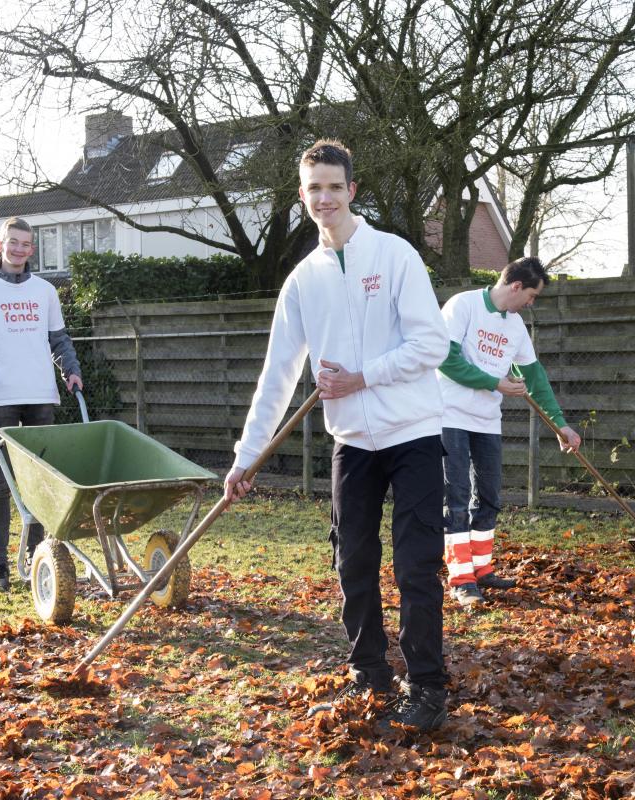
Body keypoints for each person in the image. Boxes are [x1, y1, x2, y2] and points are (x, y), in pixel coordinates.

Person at [224, 140, 451, 733]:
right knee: (353, 559)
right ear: (302, 198)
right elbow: (277, 375)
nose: (324, 197)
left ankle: (427, 685)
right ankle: (369, 670)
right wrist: (246, 459)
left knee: (415, 565)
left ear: (352, 190)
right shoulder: (302, 282)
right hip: (353, 445)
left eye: (334, 186)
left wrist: (363, 377)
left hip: (415, 435)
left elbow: (433, 344)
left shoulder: (395, 255)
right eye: (313, 189)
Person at [437, 257, 581, 607]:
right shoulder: (463, 305)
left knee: (489, 496)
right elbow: (445, 358)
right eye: (532, 295)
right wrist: (495, 383)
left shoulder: (515, 327)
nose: (531, 303)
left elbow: (535, 378)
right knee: (455, 498)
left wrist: (560, 425)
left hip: (487, 421)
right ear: (516, 286)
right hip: (448, 415)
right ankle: (461, 578)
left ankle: (482, 569)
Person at [0, 216, 83, 592]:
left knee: (39, 481)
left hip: (41, 396)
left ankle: (38, 555)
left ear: (32, 249)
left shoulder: (45, 292)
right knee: (1, 482)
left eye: (26, 243)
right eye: (13, 242)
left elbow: (59, 341)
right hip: (0, 398)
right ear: (0, 245)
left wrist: (70, 370)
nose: (19, 249)